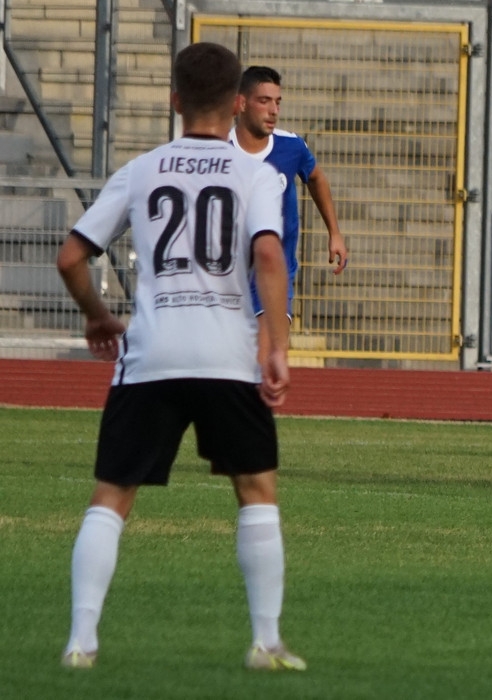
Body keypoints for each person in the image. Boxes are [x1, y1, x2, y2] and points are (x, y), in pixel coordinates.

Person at [56, 42, 304, 671]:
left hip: (152, 353)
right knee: (256, 490)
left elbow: (71, 256)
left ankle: (82, 640)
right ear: (237, 104)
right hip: (228, 355)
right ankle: (266, 641)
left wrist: (97, 316)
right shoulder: (257, 174)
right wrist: (276, 345)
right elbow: (268, 255)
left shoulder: (141, 171)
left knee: (112, 496)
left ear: (175, 101)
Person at [230, 65, 348, 364]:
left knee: (268, 355)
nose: (274, 111)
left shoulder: (291, 146)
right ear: (241, 103)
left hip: (273, 273)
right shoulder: (219, 150)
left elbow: (316, 177)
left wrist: (334, 233)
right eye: (264, 101)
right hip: (227, 274)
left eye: (278, 102)